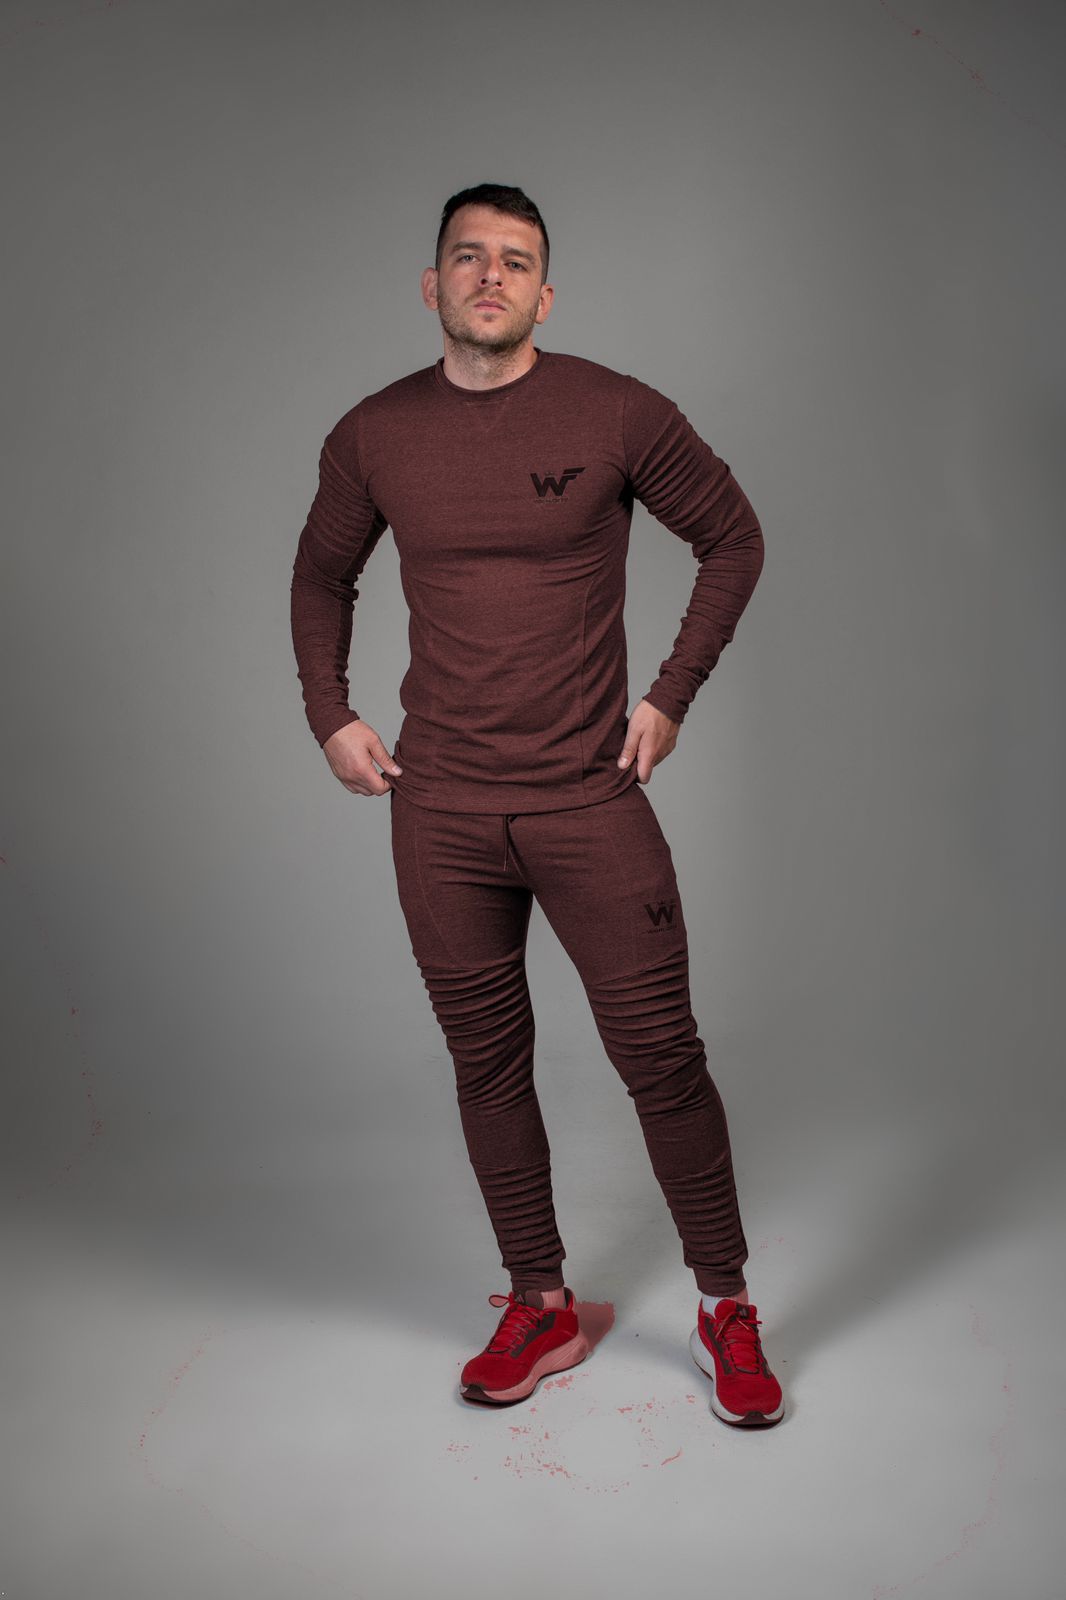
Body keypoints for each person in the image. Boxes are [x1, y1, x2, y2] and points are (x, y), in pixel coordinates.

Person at [290, 182, 784, 1428]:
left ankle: (725, 1306)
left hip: (586, 800)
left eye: (515, 260)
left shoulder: (616, 411)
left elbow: (732, 537)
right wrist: (329, 712)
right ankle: (541, 1302)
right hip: (440, 811)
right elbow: (320, 575)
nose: (490, 275)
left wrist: (670, 694)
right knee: (486, 1061)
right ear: (432, 284)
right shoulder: (372, 433)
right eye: (468, 256)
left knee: (660, 1058)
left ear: (545, 295)